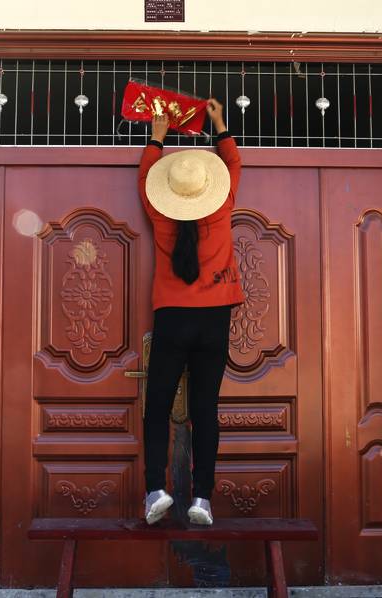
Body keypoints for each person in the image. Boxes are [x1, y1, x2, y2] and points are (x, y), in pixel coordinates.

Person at [136, 98, 244, 526]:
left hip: (172, 317)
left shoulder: (158, 213)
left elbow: (144, 177)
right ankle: (202, 499)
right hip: (214, 318)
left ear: (169, 193)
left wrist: (157, 137)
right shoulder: (222, 207)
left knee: (157, 405)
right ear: (208, 188)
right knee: (205, 409)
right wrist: (219, 124)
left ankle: (154, 490)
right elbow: (233, 164)